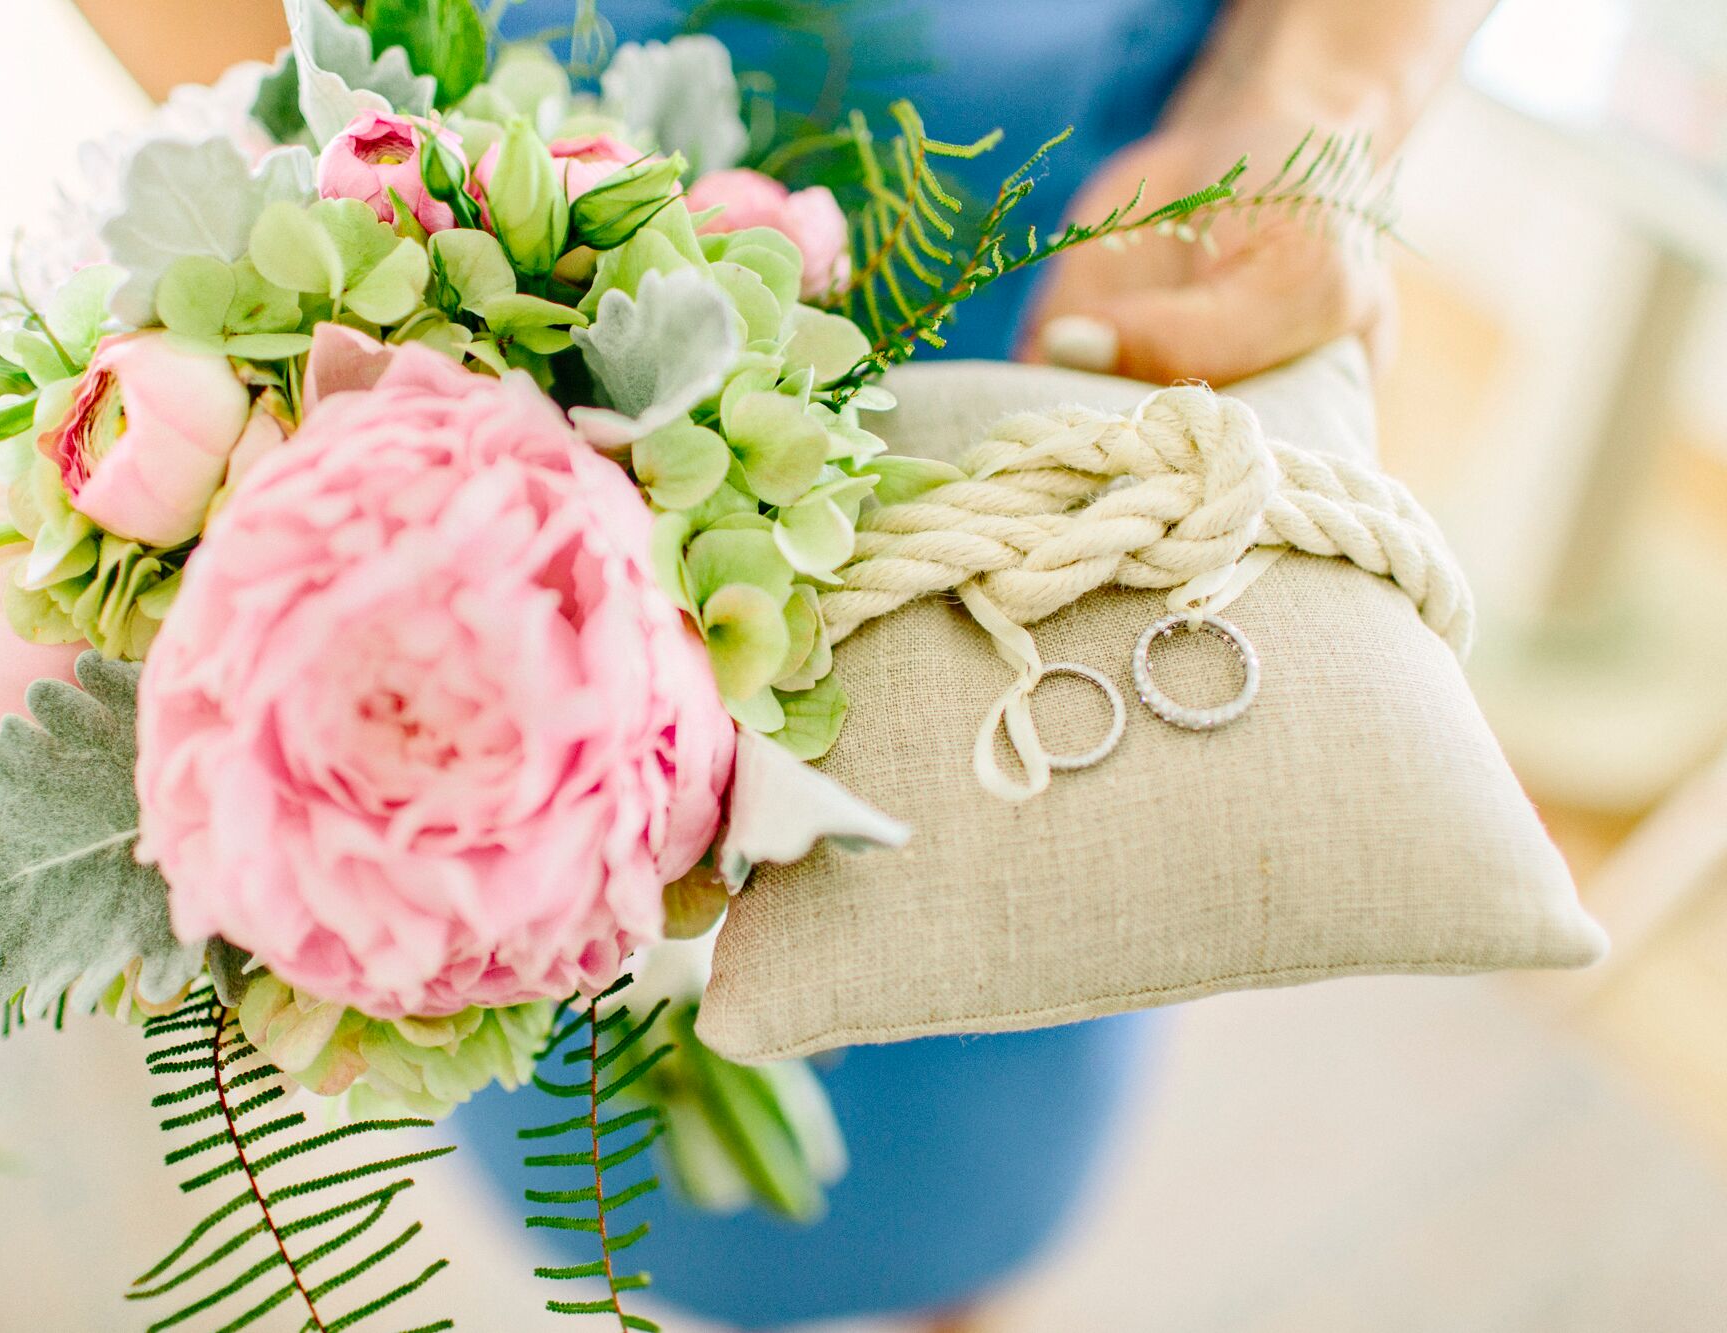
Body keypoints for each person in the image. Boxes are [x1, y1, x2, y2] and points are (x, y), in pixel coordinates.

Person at [78, 2, 1500, 1327]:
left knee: (1045, 910)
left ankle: (964, 1271)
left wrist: (1311, 102)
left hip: (1083, 241)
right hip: (502, 282)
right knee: (538, 945)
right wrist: (363, 186)